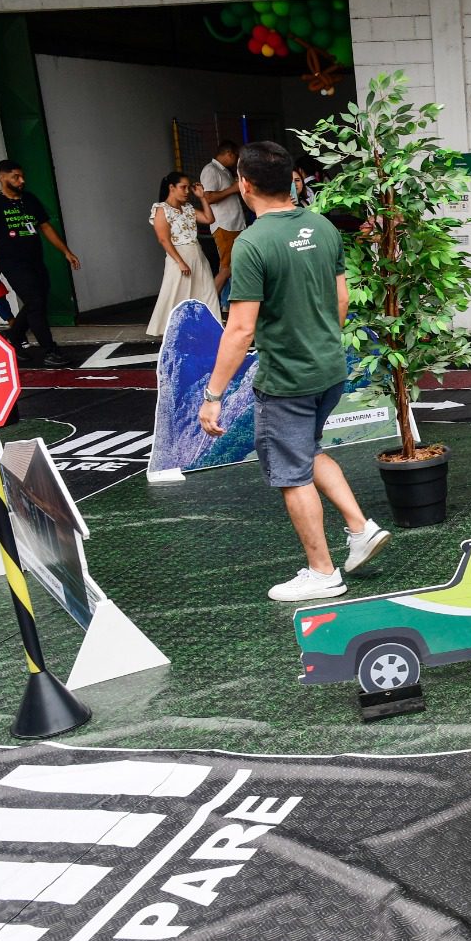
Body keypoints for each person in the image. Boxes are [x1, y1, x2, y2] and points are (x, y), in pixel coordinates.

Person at [197, 141, 392, 602]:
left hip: (286, 379)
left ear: (243, 185)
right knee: (306, 449)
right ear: (291, 180)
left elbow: (241, 328)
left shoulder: (251, 244)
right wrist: (319, 339)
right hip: (328, 368)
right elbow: (341, 300)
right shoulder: (322, 227)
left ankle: (322, 573)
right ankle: (360, 528)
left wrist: (213, 394)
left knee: (292, 474)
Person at [0, 159, 80, 367]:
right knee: (35, 304)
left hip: (35, 261)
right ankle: (50, 350)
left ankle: (13, 339)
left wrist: (66, 251)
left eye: (22, 176)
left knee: (36, 301)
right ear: (2, 177)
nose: (21, 181)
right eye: (16, 177)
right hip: (13, 263)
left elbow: (46, 227)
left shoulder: (29, 200)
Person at [144, 172, 218, 337]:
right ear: (171, 187)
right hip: (178, 256)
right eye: (183, 187)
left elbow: (209, 219)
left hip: (197, 253)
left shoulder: (188, 208)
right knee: (176, 292)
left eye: (188, 188)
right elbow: (163, 239)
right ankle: (169, 328)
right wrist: (180, 261)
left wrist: (202, 197)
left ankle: (209, 326)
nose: (187, 191)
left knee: (207, 290)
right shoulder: (161, 209)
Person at [200, 140, 246, 297]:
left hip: (235, 224)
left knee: (233, 268)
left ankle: (226, 303)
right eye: (236, 156)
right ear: (229, 154)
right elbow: (208, 197)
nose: (237, 160)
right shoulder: (210, 170)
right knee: (226, 268)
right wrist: (232, 189)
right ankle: (209, 302)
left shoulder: (224, 171)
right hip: (224, 225)